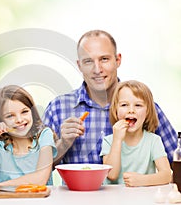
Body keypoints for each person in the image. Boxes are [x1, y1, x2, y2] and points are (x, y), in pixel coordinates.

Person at [42, 29, 177, 166]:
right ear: (79, 65)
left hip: (134, 187)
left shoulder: (144, 108)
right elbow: (37, 170)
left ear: (117, 60)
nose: (97, 69)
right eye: (88, 61)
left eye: (104, 59)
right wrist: (63, 144)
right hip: (80, 188)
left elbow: (177, 159)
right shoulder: (58, 108)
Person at [0, 85, 57, 186]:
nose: (19, 120)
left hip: (42, 202)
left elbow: (41, 179)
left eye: (24, 112)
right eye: (10, 116)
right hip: (8, 202)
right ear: (0, 120)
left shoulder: (44, 135)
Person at [100, 80, 171, 186]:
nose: (131, 110)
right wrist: (117, 140)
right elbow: (111, 175)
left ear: (147, 112)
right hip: (113, 199)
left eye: (138, 105)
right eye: (124, 105)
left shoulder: (153, 141)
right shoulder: (109, 141)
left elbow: (166, 175)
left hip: (142, 198)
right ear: (116, 111)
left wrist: (142, 180)